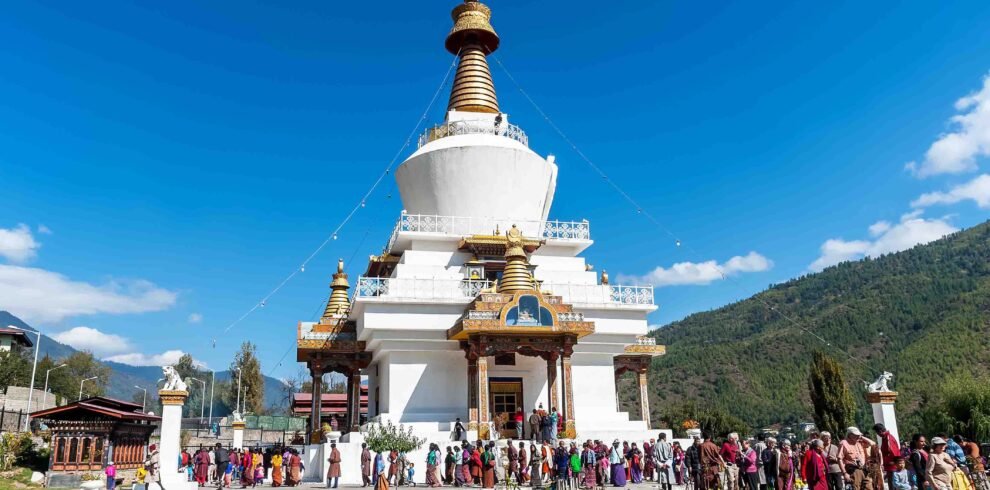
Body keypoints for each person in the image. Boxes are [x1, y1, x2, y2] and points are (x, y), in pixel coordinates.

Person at [874, 424, 902, 490]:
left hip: (892, 466)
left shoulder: (888, 438)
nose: (877, 434)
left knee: (893, 484)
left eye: (877, 432)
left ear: (880, 431)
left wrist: (895, 463)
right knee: (891, 483)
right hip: (889, 465)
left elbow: (894, 452)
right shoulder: (885, 438)